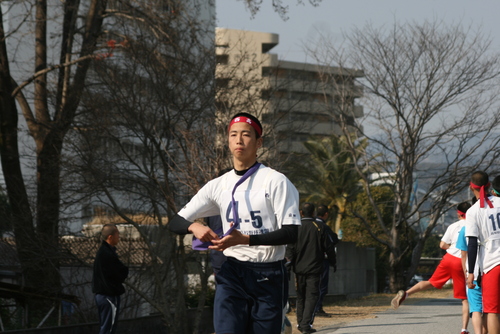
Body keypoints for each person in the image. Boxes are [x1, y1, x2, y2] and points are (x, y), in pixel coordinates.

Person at [168, 112, 301, 334]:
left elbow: (291, 232)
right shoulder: (217, 185)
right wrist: (194, 226)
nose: (239, 140)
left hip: (268, 274)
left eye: (246, 135)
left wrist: (247, 239)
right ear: (228, 141)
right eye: (233, 134)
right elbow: (175, 222)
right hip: (232, 273)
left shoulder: (276, 181)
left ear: (259, 142)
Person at [392, 203, 469, 333]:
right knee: (465, 299)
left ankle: (406, 294)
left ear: (458, 213)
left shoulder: (453, 226)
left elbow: (442, 244)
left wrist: (452, 248)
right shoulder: (473, 225)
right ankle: (464, 329)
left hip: (448, 258)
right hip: (461, 260)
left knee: (431, 282)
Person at [286, 202, 337, 334]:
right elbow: (329, 247)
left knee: (300, 296)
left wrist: (287, 266)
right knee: (312, 296)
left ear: (301, 213)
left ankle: (300, 323)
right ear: (313, 213)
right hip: (315, 269)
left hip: (299, 269)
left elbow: (290, 249)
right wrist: (333, 262)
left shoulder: (295, 228)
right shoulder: (319, 227)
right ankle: (306, 324)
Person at [466, 172, 500, 334]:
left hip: (492, 263)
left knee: (492, 310)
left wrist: (471, 272)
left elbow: (472, 244)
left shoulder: (473, 211)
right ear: (489, 186)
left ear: (471, 186)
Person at [92, 224, 129, 334]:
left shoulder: (104, 252)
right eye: (117, 234)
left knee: (107, 327)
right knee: (108, 328)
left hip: (104, 295)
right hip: (108, 295)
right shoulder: (107, 254)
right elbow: (119, 272)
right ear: (110, 237)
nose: (119, 237)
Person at [456, 201, 486, 334]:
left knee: (476, 310)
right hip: (490, 269)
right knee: (491, 309)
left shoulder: (465, 229)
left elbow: (463, 254)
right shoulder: (491, 224)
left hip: (473, 273)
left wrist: (466, 273)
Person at [314, 204, 339, 317]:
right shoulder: (323, 227)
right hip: (321, 260)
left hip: (305, 260)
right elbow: (332, 241)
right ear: (326, 214)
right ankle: (317, 308)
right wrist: (333, 261)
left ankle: (307, 309)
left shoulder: (305, 225)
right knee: (321, 285)